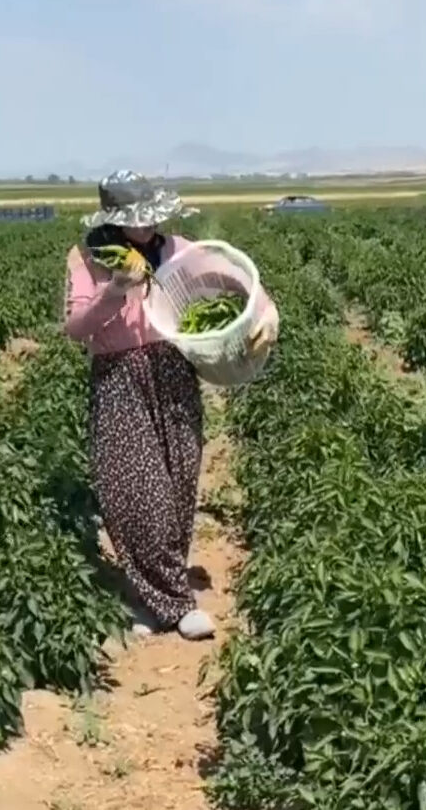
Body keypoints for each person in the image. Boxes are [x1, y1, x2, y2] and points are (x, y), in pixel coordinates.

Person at [64, 170, 279, 641]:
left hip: (172, 369)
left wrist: (267, 312)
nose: (145, 229)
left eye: (150, 219)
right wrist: (115, 288)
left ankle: (152, 593)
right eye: (135, 221)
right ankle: (175, 605)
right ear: (113, 220)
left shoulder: (176, 249)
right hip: (120, 377)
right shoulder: (88, 257)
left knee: (179, 480)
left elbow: (235, 278)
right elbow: (77, 327)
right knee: (137, 491)